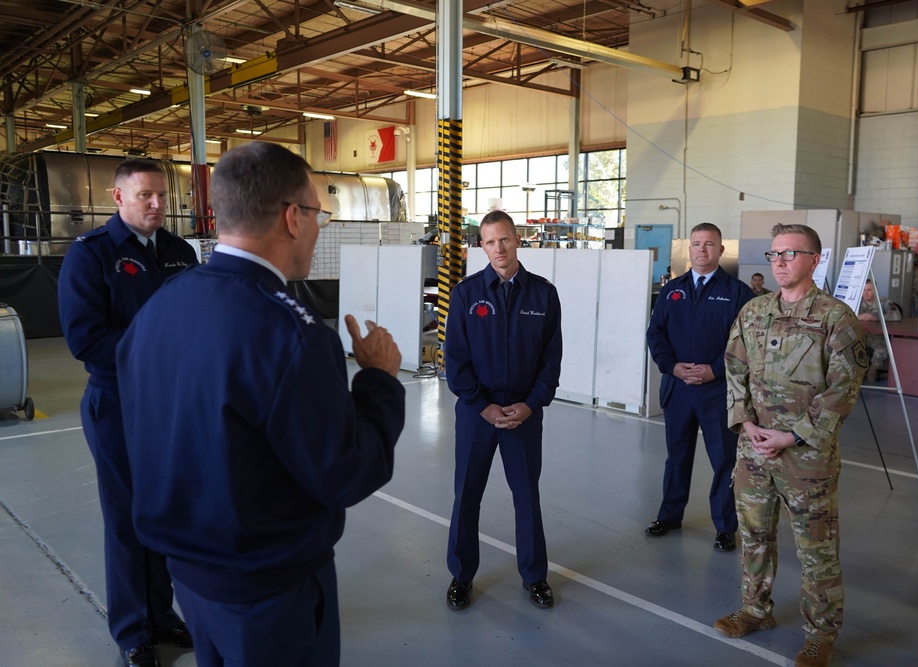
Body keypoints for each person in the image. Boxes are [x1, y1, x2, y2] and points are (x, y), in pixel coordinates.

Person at [115, 142, 406, 667]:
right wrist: (379, 382)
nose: (319, 226)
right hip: (270, 591)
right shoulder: (293, 336)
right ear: (293, 218)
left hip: (190, 576)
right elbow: (345, 474)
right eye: (318, 213)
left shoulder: (161, 307)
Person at [58, 158, 198, 667]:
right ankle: (133, 630)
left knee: (163, 513)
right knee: (126, 520)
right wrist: (158, 353)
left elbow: (195, 320)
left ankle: (163, 617)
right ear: (119, 198)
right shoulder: (90, 255)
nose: (159, 205)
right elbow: (85, 338)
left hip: (171, 405)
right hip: (117, 403)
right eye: (146, 196)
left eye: (163, 196)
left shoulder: (181, 253)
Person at [716, 223, 867, 667]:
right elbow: (733, 367)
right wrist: (744, 422)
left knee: (816, 548)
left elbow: (844, 388)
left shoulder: (835, 318)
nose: (780, 262)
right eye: (775, 255)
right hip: (754, 451)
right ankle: (755, 609)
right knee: (754, 537)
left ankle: (821, 634)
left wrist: (792, 434)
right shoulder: (754, 311)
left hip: (806, 458)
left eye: (790, 254)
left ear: (814, 260)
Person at [444, 210, 562, 611]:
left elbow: (551, 361)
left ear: (517, 240)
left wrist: (530, 406)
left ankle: (535, 577)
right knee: (467, 496)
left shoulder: (544, 294)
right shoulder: (465, 294)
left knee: (527, 497)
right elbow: (455, 361)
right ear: (482, 246)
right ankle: (461, 576)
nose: (499, 248)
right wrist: (483, 406)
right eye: (490, 241)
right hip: (478, 415)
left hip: (524, 416)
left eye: (505, 239)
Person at [644, 223, 753, 552]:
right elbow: (656, 334)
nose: (702, 250)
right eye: (696, 244)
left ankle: (724, 526)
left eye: (709, 244)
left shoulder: (738, 293)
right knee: (677, 457)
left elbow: (747, 344)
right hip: (678, 388)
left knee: (723, 460)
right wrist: (673, 367)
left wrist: (715, 370)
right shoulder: (671, 290)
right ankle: (670, 515)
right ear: (688, 249)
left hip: (717, 391)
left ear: (721, 250)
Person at [856, 279, 902, 383]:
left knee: (882, 348)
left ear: (875, 290)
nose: (865, 293)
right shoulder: (856, 300)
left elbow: (896, 315)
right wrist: (858, 316)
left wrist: (877, 317)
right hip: (858, 334)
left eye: (869, 290)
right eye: (863, 290)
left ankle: (872, 370)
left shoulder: (884, 301)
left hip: (875, 336)